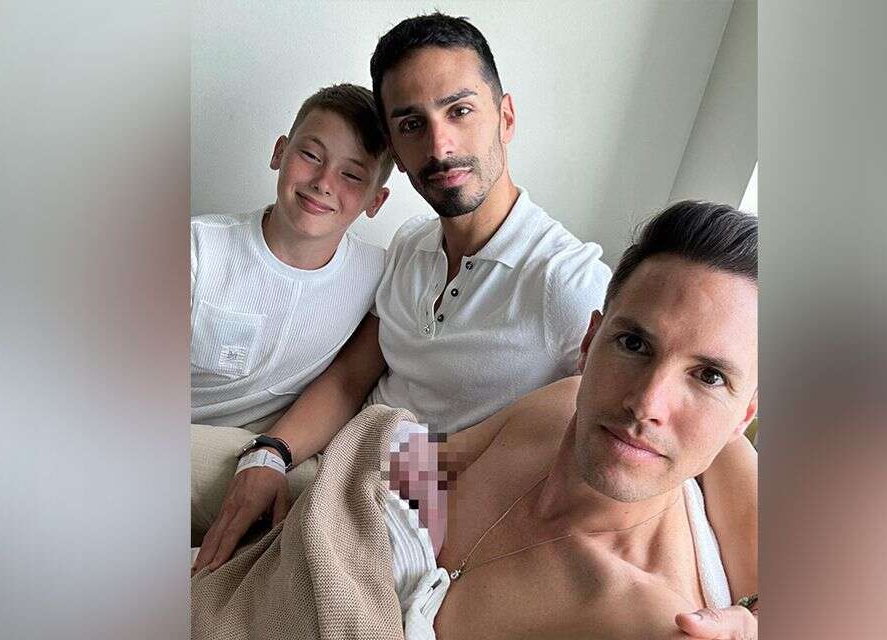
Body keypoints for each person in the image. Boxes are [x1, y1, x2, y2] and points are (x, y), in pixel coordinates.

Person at [192, 14, 756, 582]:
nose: (439, 146)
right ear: (396, 150)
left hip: (407, 526)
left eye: (459, 111)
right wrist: (271, 452)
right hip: (329, 469)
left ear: (505, 117)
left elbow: (705, 424)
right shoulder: (410, 246)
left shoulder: (564, 283)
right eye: (412, 124)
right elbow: (349, 378)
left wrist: (755, 600)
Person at [190, 201, 759, 640]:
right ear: (589, 342)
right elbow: (402, 467)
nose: (647, 402)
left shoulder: (642, 617)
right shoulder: (554, 407)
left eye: (708, 376)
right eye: (634, 344)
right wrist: (309, 485)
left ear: (745, 416)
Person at [190, 84, 393, 541]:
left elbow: (348, 381)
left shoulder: (378, 276)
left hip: (270, 447)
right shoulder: (200, 250)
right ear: (280, 152)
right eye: (311, 155)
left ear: (375, 202)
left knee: (347, 499)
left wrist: (269, 452)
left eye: (352, 175)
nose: (324, 182)